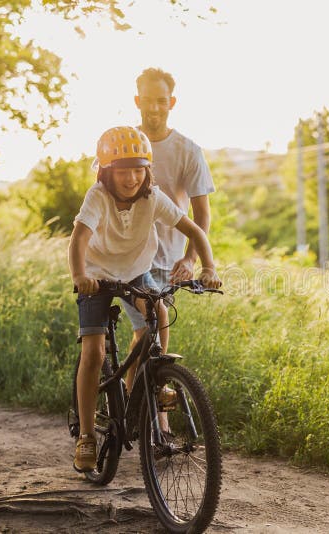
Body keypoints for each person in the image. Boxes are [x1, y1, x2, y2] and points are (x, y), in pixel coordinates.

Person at [69, 125, 221, 473]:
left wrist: (207, 266)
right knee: (93, 352)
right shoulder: (97, 197)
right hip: (98, 276)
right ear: (107, 171)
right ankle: (88, 436)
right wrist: (80, 277)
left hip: (137, 271)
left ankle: (153, 384)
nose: (132, 177)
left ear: (147, 170)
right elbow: (78, 240)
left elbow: (194, 230)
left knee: (159, 313)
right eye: (123, 170)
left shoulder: (152, 196)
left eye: (139, 169)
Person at [120, 68, 216, 388]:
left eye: (161, 101)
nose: (154, 108)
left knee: (156, 342)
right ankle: (148, 418)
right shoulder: (125, 145)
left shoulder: (188, 151)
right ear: (137, 101)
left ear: (172, 102)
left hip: (169, 262)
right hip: (129, 260)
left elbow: (201, 214)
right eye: (147, 100)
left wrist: (191, 260)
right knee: (146, 331)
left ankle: (146, 413)